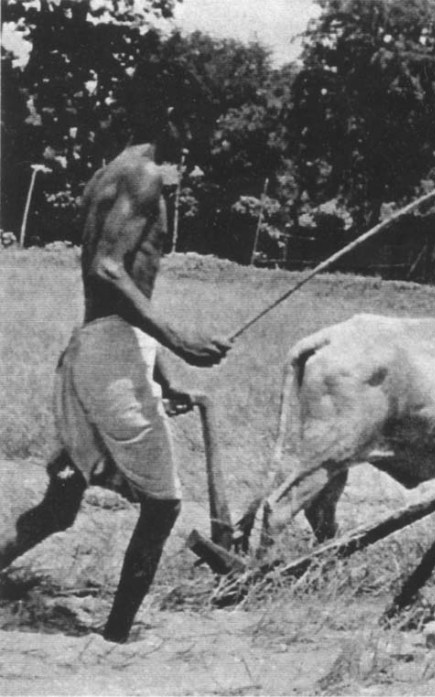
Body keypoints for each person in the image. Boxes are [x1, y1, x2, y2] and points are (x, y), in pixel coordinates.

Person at [0, 105, 231, 643]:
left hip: (95, 347)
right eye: (196, 119)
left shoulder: (109, 172)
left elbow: (116, 294)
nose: (202, 134)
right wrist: (181, 340)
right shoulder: (144, 175)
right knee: (164, 504)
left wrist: (164, 374)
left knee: (60, 508)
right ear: (171, 114)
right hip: (109, 355)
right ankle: (116, 640)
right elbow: (107, 269)